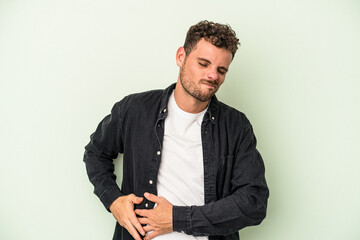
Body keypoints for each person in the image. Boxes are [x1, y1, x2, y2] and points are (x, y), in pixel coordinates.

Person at [83, 20, 269, 240]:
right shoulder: (134, 110)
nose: (213, 76)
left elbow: (253, 202)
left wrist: (177, 218)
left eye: (221, 70)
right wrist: (113, 200)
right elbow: (95, 153)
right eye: (203, 63)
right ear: (181, 57)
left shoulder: (236, 126)